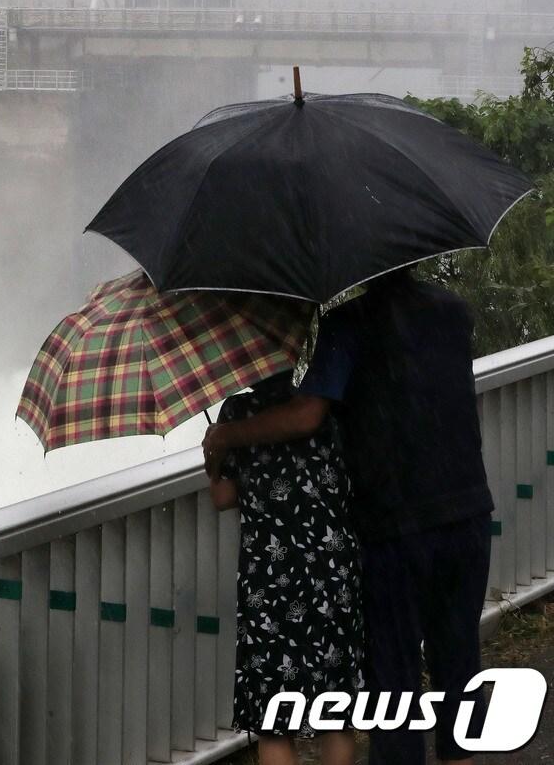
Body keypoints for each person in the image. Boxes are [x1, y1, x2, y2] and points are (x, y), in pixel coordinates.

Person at [203, 269, 492, 765]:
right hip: (465, 507)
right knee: (459, 660)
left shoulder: (348, 325)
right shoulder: (453, 311)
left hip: (396, 524)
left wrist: (224, 438)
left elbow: (307, 414)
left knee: (395, 680)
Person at [208, 371, 365, 765]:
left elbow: (223, 496)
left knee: (274, 718)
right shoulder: (329, 404)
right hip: (334, 570)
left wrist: (214, 448)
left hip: (269, 580)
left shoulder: (235, 414)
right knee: (336, 712)